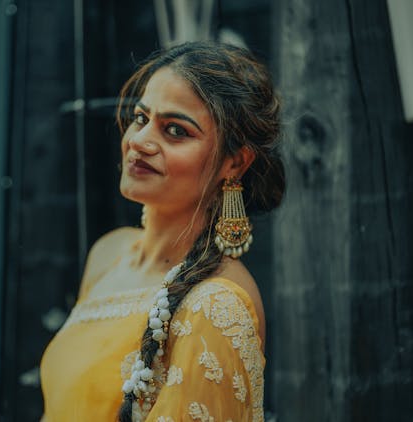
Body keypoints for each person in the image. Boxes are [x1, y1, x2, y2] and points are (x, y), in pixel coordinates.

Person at [40, 41, 284, 422]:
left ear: (234, 163)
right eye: (140, 118)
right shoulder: (108, 254)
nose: (139, 141)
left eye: (174, 130)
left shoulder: (217, 303)